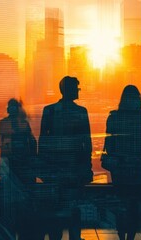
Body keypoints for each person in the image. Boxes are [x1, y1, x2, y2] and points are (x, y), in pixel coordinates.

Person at [38, 76, 93, 240]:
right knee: (73, 207)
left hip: (54, 169)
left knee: (55, 206)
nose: (78, 90)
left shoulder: (49, 111)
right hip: (74, 169)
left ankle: (56, 236)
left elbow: (43, 141)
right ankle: (74, 237)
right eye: (77, 87)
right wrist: (86, 166)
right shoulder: (81, 112)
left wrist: (43, 166)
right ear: (69, 89)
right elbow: (86, 142)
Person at [103, 85, 141, 240]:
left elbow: (109, 146)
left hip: (119, 168)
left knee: (121, 203)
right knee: (134, 203)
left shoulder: (113, 117)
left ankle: (121, 235)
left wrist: (121, 155)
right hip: (138, 167)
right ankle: (131, 235)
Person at [0, 98, 38, 239]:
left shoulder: (15, 124)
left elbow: (1, 145)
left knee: (16, 201)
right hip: (16, 166)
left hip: (17, 166)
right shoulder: (18, 124)